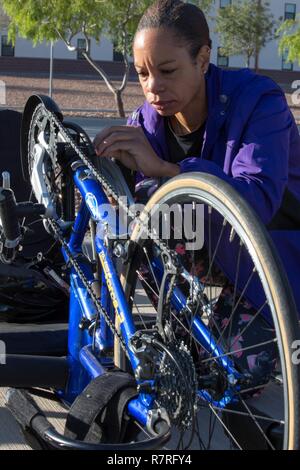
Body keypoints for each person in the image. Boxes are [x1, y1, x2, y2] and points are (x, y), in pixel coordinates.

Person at [93, 0, 300, 421]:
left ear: (203, 58)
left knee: (232, 381)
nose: (152, 87)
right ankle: (189, 327)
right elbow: (127, 225)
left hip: (274, 266)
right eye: (143, 73)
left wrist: (169, 170)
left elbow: (256, 200)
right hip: (216, 264)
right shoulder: (146, 122)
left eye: (167, 71)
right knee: (128, 223)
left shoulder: (259, 102)